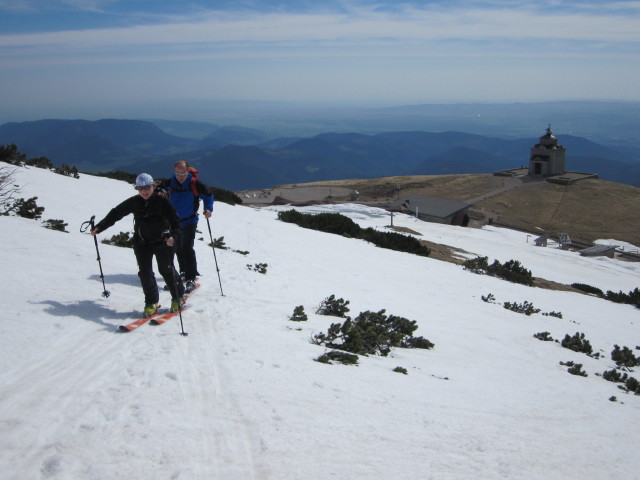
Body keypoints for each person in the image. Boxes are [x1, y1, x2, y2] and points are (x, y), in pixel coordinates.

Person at [91, 173, 185, 316]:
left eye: (147, 187)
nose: (144, 191)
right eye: (140, 188)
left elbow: (176, 224)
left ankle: (177, 296)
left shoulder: (162, 202)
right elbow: (116, 213)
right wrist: (99, 227)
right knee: (145, 273)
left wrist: (173, 237)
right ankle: (151, 302)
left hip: (163, 242)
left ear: (153, 186)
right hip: (142, 242)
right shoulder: (135, 202)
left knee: (166, 270)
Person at [159, 160, 214, 293]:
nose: (180, 176)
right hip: (173, 221)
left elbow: (209, 196)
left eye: (183, 173)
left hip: (190, 221)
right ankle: (181, 273)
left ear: (188, 171)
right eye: (177, 173)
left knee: (187, 248)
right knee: (175, 248)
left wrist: (208, 209)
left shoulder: (195, 184)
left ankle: (190, 278)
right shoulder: (169, 183)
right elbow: (157, 192)